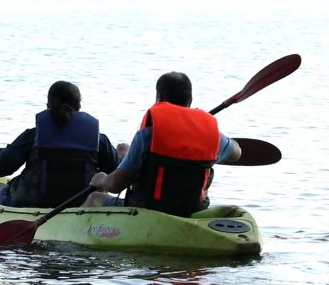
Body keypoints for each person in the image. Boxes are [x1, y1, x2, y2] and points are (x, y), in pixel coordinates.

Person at [82, 71, 242, 217]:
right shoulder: (213, 136)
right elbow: (237, 153)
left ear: (158, 98)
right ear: (190, 100)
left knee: (95, 198)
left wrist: (101, 180)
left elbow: (116, 185)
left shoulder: (147, 136)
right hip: (192, 211)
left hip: (147, 211)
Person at [0, 80, 126, 207]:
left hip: (31, 202)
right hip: (81, 203)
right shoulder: (99, 140)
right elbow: (115, 172)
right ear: (79, 106)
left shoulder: (32, 136)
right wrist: (122, 155)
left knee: (1, 195)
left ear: (48, 106)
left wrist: (5, 152)